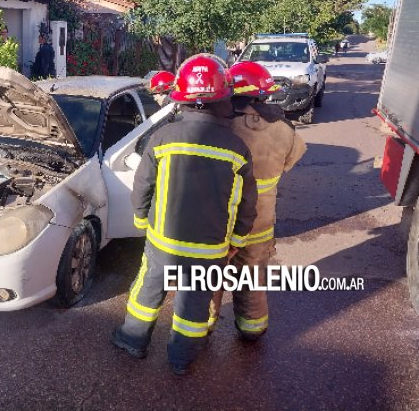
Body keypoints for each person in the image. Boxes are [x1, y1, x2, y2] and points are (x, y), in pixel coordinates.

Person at [112, 55, 258, 375]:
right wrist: (236, 241)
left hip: (163, 242)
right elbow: (247, 202)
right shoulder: (237, 148)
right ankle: (180, 358)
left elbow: (143, 183)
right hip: (210, 250)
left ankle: (132, 340)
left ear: (181, 98)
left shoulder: (163, 137)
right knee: (194, 303)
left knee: (148, 289)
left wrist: (141, 220)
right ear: (223, 99)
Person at [208, 61, 306, 340]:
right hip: (259, 223)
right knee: (252, 278)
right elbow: (290, 161)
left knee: (209, 277)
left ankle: (202, 328)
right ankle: (252, 329)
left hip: (219, 221)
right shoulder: (284, 129)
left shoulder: (219, 125)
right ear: (264, 93)